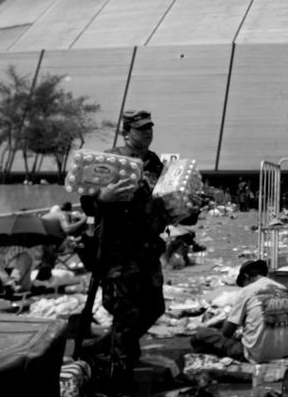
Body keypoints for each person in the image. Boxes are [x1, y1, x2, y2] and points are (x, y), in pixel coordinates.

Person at [78, 109, 173, 394]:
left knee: (155, 307)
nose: (147, 132)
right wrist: (102, 199)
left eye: (149, 128)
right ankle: (119, 374)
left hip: (147, 250)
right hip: (118, 253)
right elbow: (87, 201)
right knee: (125, 314)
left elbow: (165, 197)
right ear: (126, 131)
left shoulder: (156, 162)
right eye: (141, 128)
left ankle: (104, 347)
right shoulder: (109, 160)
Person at [190, 260, 288, 362]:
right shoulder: (282, 289)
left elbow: (226, 332)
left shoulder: (246, 291)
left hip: (256, 354)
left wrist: (223, 322)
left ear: (246, 276)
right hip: (283, 352)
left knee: (201, 334)